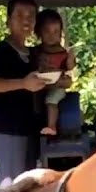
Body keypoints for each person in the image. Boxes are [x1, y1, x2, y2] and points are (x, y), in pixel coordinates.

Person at [0, 0, 51, 186]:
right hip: (9, 128)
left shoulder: (33, 54)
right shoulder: (2, 51)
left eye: (31, 16)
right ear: (8, 21)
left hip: (31, 128)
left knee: (28, 185)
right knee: (10, 186)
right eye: (19, 15)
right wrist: (22, 84)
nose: (26, 20)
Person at [32, 8, 75, 136]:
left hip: (57, 86)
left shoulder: (62, 52)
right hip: (39, 87)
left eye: (55, 31)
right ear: (39, 33)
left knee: (51, 100)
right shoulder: (35, 52)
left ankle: (51, 126)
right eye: (47, 31)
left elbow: (69, 68)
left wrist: (71, 57)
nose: (51, 35)